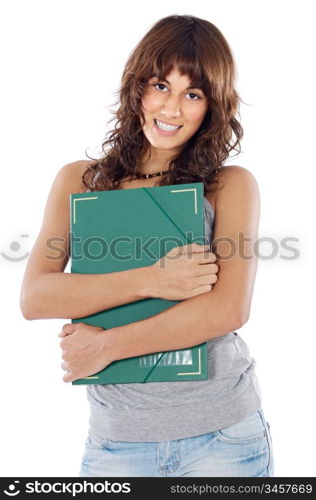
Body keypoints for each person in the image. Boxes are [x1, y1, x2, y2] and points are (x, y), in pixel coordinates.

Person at [20, 14, 274, 477]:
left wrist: (108, 346)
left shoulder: (228, 185)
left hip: (222, 436)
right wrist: (155, 280)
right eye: (160, 85)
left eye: (192, 94)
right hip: (117, 442)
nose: (172, 109)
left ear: (212, 106)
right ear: (136, 87)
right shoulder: (81, 181)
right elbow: (36, 297)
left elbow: (228, 309)